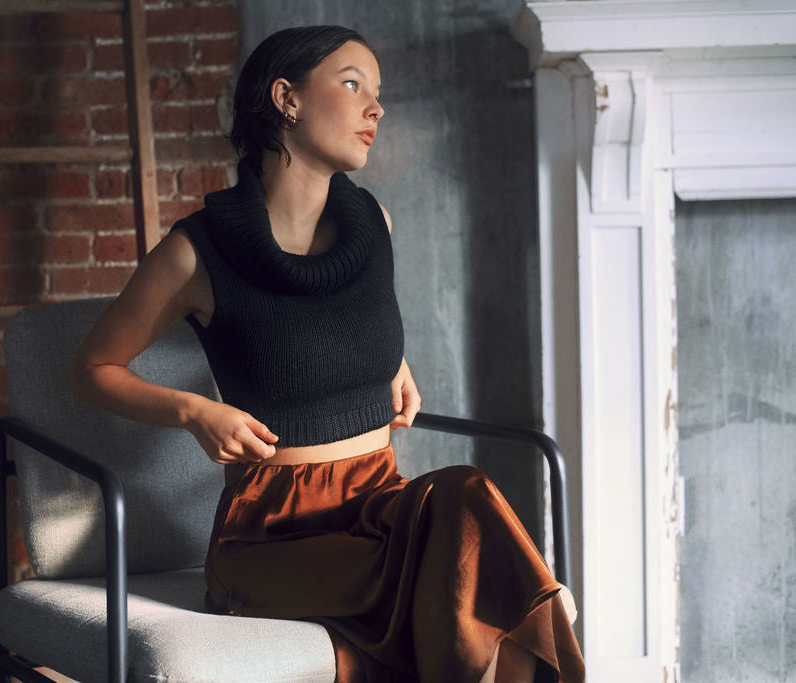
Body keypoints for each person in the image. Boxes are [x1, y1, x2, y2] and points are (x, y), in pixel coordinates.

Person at [69, 24, 585, 683]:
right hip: (273, 534)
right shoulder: (197, 251)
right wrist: (194, 411)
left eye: (378, 90)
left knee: (465, 493)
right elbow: (91, 369)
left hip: (376, 503)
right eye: (352, 84)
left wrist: (389, 362)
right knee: (476, 587)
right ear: (287, 99)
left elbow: (343, 325)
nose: (376, 107)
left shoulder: (375, 225)